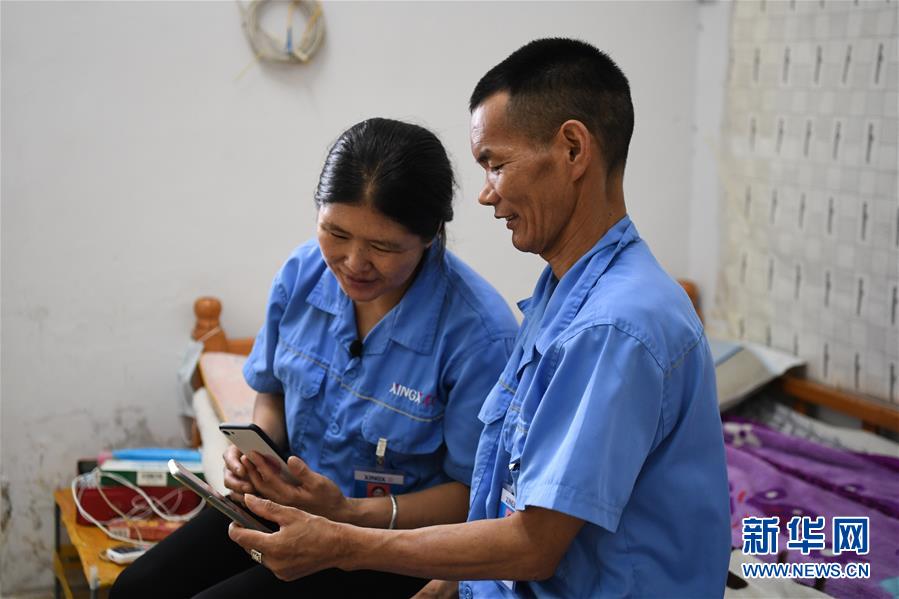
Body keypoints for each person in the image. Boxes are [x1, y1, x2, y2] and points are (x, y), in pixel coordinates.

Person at [228, 38, 732, 598]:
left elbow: (533, 545)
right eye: (336, 234)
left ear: (572, 149)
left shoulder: (613, 327)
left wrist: (344, 540)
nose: (486, 195)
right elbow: (507, 495)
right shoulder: (563, 295)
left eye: (496, 165)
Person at [110, 118, 519, 598]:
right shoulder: (302, 274)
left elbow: (475, 494)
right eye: (335, 233)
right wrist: (255, 454)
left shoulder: (479, 336)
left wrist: (349, 515)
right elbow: (272, 391)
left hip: (388, 545)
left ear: (429, 235)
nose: (354, 262)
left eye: (383, 246)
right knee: (136, 589)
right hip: (287, 507)